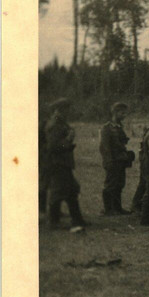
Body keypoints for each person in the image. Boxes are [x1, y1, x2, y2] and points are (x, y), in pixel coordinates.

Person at [44, 98, 87, 231]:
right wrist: (68, 139)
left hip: (62, 163)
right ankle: (54, 221)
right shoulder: (55, 125)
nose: (69, 112)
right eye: (66, 109)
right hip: (57, 163)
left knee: (71, 190)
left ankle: (76, 219)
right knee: (60, 192)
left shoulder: (60, 123)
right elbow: (53, 146)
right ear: (59, 110)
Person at [99, 102, 135, 215]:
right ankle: (108, 209)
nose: (124, 115)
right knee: (110, 185)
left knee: (120, 184)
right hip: (112, 160)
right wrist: (108, 161)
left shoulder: (119, 127)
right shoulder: (107, 128)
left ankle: (117, 208)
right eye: (122, 113)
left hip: (120, 160)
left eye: (125, 113)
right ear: (114, 112)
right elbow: (104, 147)